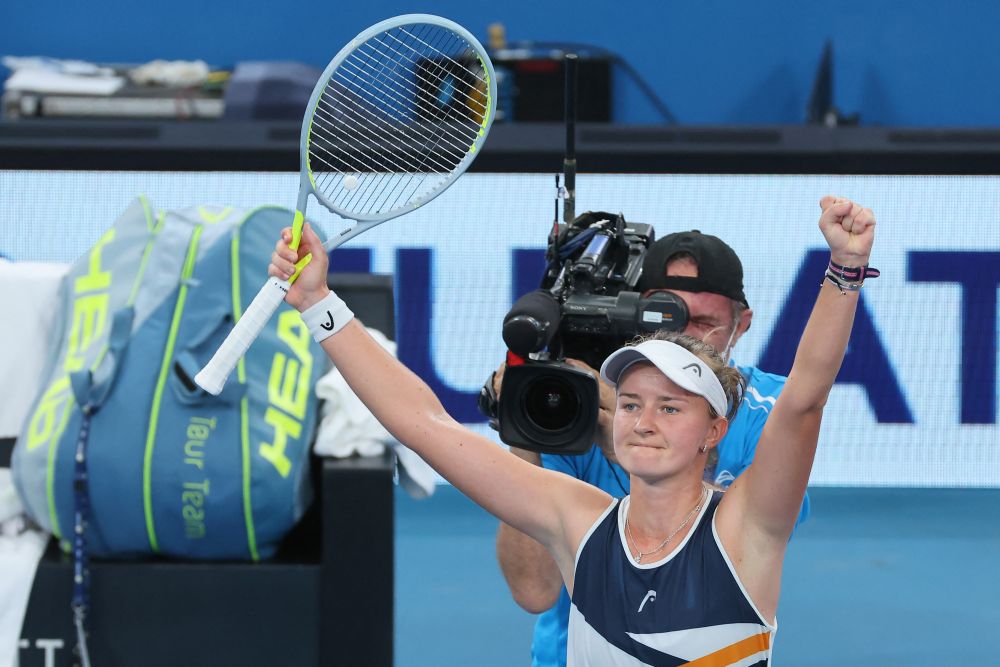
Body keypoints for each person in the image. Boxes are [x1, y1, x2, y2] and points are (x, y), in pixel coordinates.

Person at [270, 196, 876, 665]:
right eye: (633, 402)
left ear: (713, 430)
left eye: (671, 408)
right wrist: (320, 303)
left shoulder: (748, 528)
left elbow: (803, 399)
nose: (642, 421)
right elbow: (422, 424)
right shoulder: (576, 520)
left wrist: (845, 268)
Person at [494, 228, 809, 667]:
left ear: (743, 324)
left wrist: (619, 442)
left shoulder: (769, 414)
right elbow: (533, 590)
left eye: (703, 323)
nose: (684, 338)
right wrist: (525, 429)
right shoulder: (578, 402)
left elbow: (733, 551)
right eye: (666, 316)